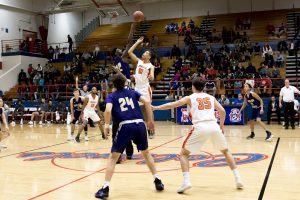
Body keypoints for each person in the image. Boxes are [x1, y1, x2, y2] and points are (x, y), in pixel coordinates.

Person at [152, 78, 243, 194]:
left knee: (184, 154)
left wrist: (156, 107)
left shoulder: (190, 97)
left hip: (200, 127)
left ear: (193, 87)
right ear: (204, 87)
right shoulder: (211, 97)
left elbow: (172, 104)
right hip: (213, 125)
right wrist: (221, 126)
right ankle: (238, 178)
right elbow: (223, 112)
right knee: (226, 151)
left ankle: (186, 181)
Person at [95, 74, 164, 199]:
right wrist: (150, 120)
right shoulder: (133, 92)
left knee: (113, 157)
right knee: (146, 153)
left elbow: (108, 110)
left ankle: (105, 188)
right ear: (125, 83)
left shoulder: (112, 96)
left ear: (113, 85)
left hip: (125, 125)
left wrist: (106, 125)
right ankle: (157, 180)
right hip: (140, 124)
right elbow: (147, 101)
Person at [128, 36, 155, 139]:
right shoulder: (139, 61)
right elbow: (130, 52)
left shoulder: (150, 66)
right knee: (136, 109)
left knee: (147, 110)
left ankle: (151, 129)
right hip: (137, 88)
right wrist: (137, 42)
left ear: (149, 57)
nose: (144, 53)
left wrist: (151, 76)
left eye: (146, 53)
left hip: (145, 89)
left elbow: (152, 75)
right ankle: (138, 129)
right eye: (144, 53)